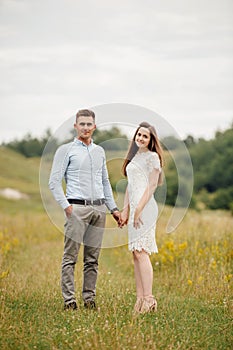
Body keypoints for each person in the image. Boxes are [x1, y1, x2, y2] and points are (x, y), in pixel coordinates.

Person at [49, 109, 121, 311]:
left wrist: (113, 209)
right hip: (77, 209)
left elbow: (105, 181)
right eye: (82, 124)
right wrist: (67, 207)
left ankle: (89, 300)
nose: (86, 127)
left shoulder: (100, 151)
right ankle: (69, 301)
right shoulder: (66, 150)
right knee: (70, 257)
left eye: (89, 124)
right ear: (75, 126)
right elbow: (54, 182)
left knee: (92, 259)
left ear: (94, 127)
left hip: (99, 210)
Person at [120, 121, 163, 314]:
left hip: (145, 208)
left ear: (151, 140)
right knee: (135, 253)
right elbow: (130, 186)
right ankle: (139, 300)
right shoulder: (135, 156)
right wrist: (125, 210)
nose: (141, 138)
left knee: (142, 251)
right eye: (139, 135)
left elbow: (152, 186)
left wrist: (138, 210)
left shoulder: (153, 157)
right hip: (134, 207)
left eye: (145, 136)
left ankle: (149, 299)